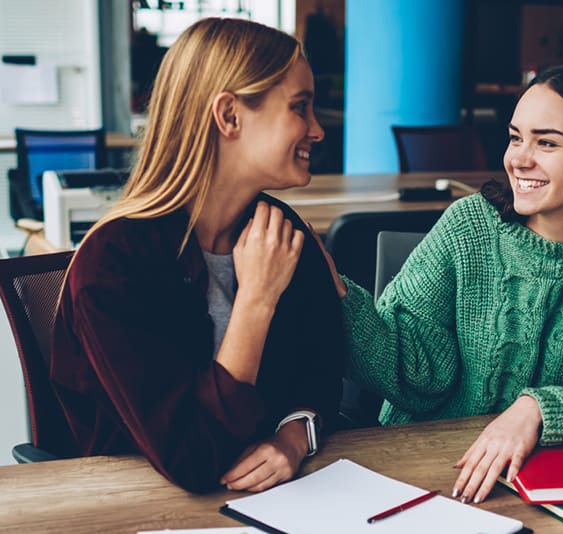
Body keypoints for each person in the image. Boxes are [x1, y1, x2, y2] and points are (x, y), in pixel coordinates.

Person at [319, 63, 563, 504]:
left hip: (537, 481)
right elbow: (412, 371)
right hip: (423, 467)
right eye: (515, 138)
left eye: (546, 142)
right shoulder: (468, 226)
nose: (519, 159)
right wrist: (337, 293)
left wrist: (536, 410)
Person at [50, 18, 345, 494]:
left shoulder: (282, 233)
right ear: (229, 116)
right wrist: (256, 301)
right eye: (299, 107)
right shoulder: (111, 264)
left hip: (278, 500)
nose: (317, 130)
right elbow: (191, 458)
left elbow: (322, 374)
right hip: (135, 505)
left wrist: (294, 437)